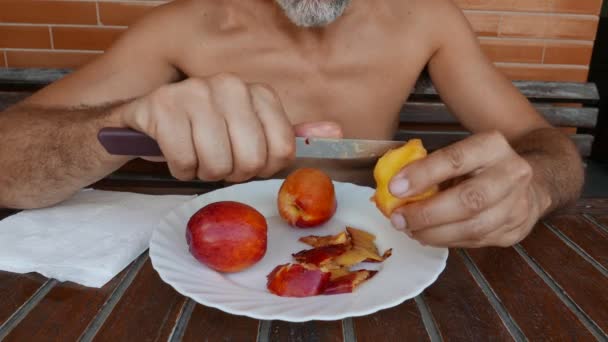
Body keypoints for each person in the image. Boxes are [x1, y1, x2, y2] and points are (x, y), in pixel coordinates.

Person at [0, 0, 583, 248]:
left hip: (385, 254)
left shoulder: (426, 16)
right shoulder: (183, 26)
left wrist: (531, 186)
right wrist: (117, 123)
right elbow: (6, 163)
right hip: (228, 266)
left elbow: (548, 147)